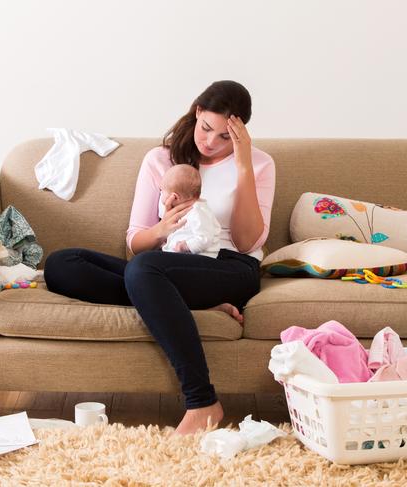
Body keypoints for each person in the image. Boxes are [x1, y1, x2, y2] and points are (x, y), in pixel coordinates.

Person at [44, 80, 276, 434]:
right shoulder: (160, 160)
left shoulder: (259, 164)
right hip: (166, 265)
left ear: (241, 134)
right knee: (62, 264)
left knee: (144, 271)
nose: (211, 142)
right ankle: (182, 303)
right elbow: (136, 243)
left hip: (231, 268)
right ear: (197, 112)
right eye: (206, 128)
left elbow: (247, 243)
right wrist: (163, 228)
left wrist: (242, 165)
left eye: (225, 138)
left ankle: (203, 401)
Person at [158, 164, 220, 257]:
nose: (160, 193)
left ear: (174, 197)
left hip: (199, 258)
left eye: (162, 190)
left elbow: (205, 238)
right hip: (181, 256)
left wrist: (186, 246)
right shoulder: (182, 211)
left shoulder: (198, 212)